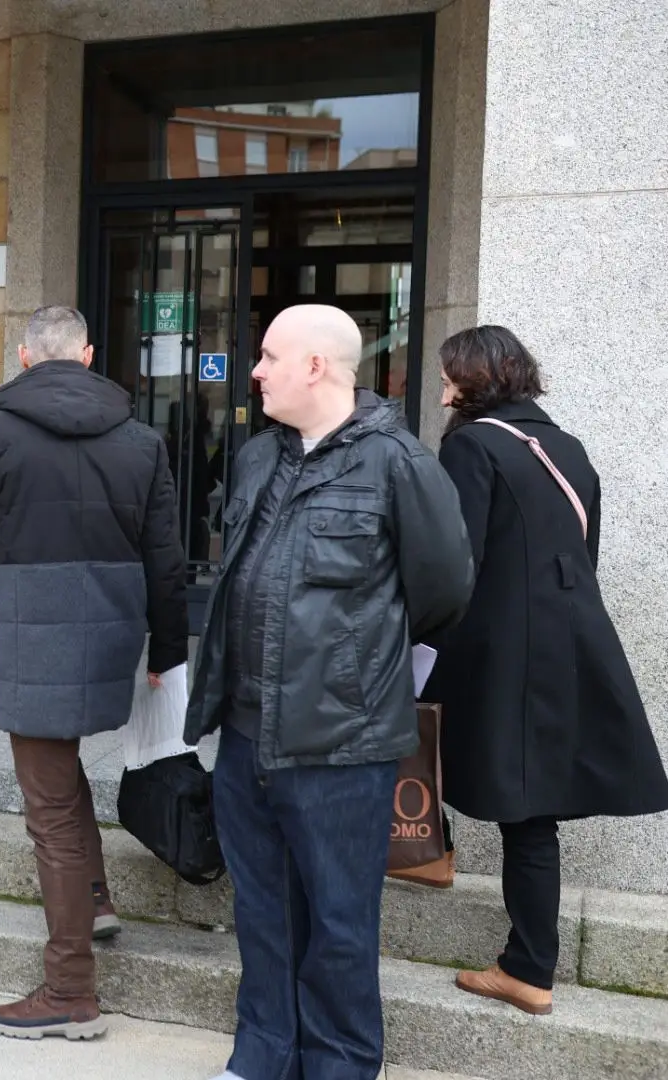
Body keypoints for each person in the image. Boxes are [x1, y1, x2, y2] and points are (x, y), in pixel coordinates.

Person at [185, 304, 474, 1080]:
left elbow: (444, 591)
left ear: (315, 366)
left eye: (269, 356)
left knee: (340, 923)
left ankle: (341, 1064)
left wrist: (355, 665)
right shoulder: (258, 458)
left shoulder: (399, 464)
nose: (255, 371)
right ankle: (263, 1055)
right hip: (246, 734)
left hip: (342, 742)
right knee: (261, 912)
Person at [0, 306, 188, 1039]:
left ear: (23, 356)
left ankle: (70, 989)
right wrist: (169, 651)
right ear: (88, 354)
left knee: (47, 803)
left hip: (37, 628)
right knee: (60, 772)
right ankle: (94, 898)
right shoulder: (141, 437)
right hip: (113, 623)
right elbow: (166, 558)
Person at [427, 326, 668, 1015]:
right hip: (572, 639)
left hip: (505, 646)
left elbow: (457, 564)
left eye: (449, 379)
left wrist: (420, 630)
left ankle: (521, 959)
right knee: (532, 810)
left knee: (433, 747)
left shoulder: (472, 445)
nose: (443, 394)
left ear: (477, 379)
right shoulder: (568, 446)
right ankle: (523, 957)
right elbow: (585, 553)